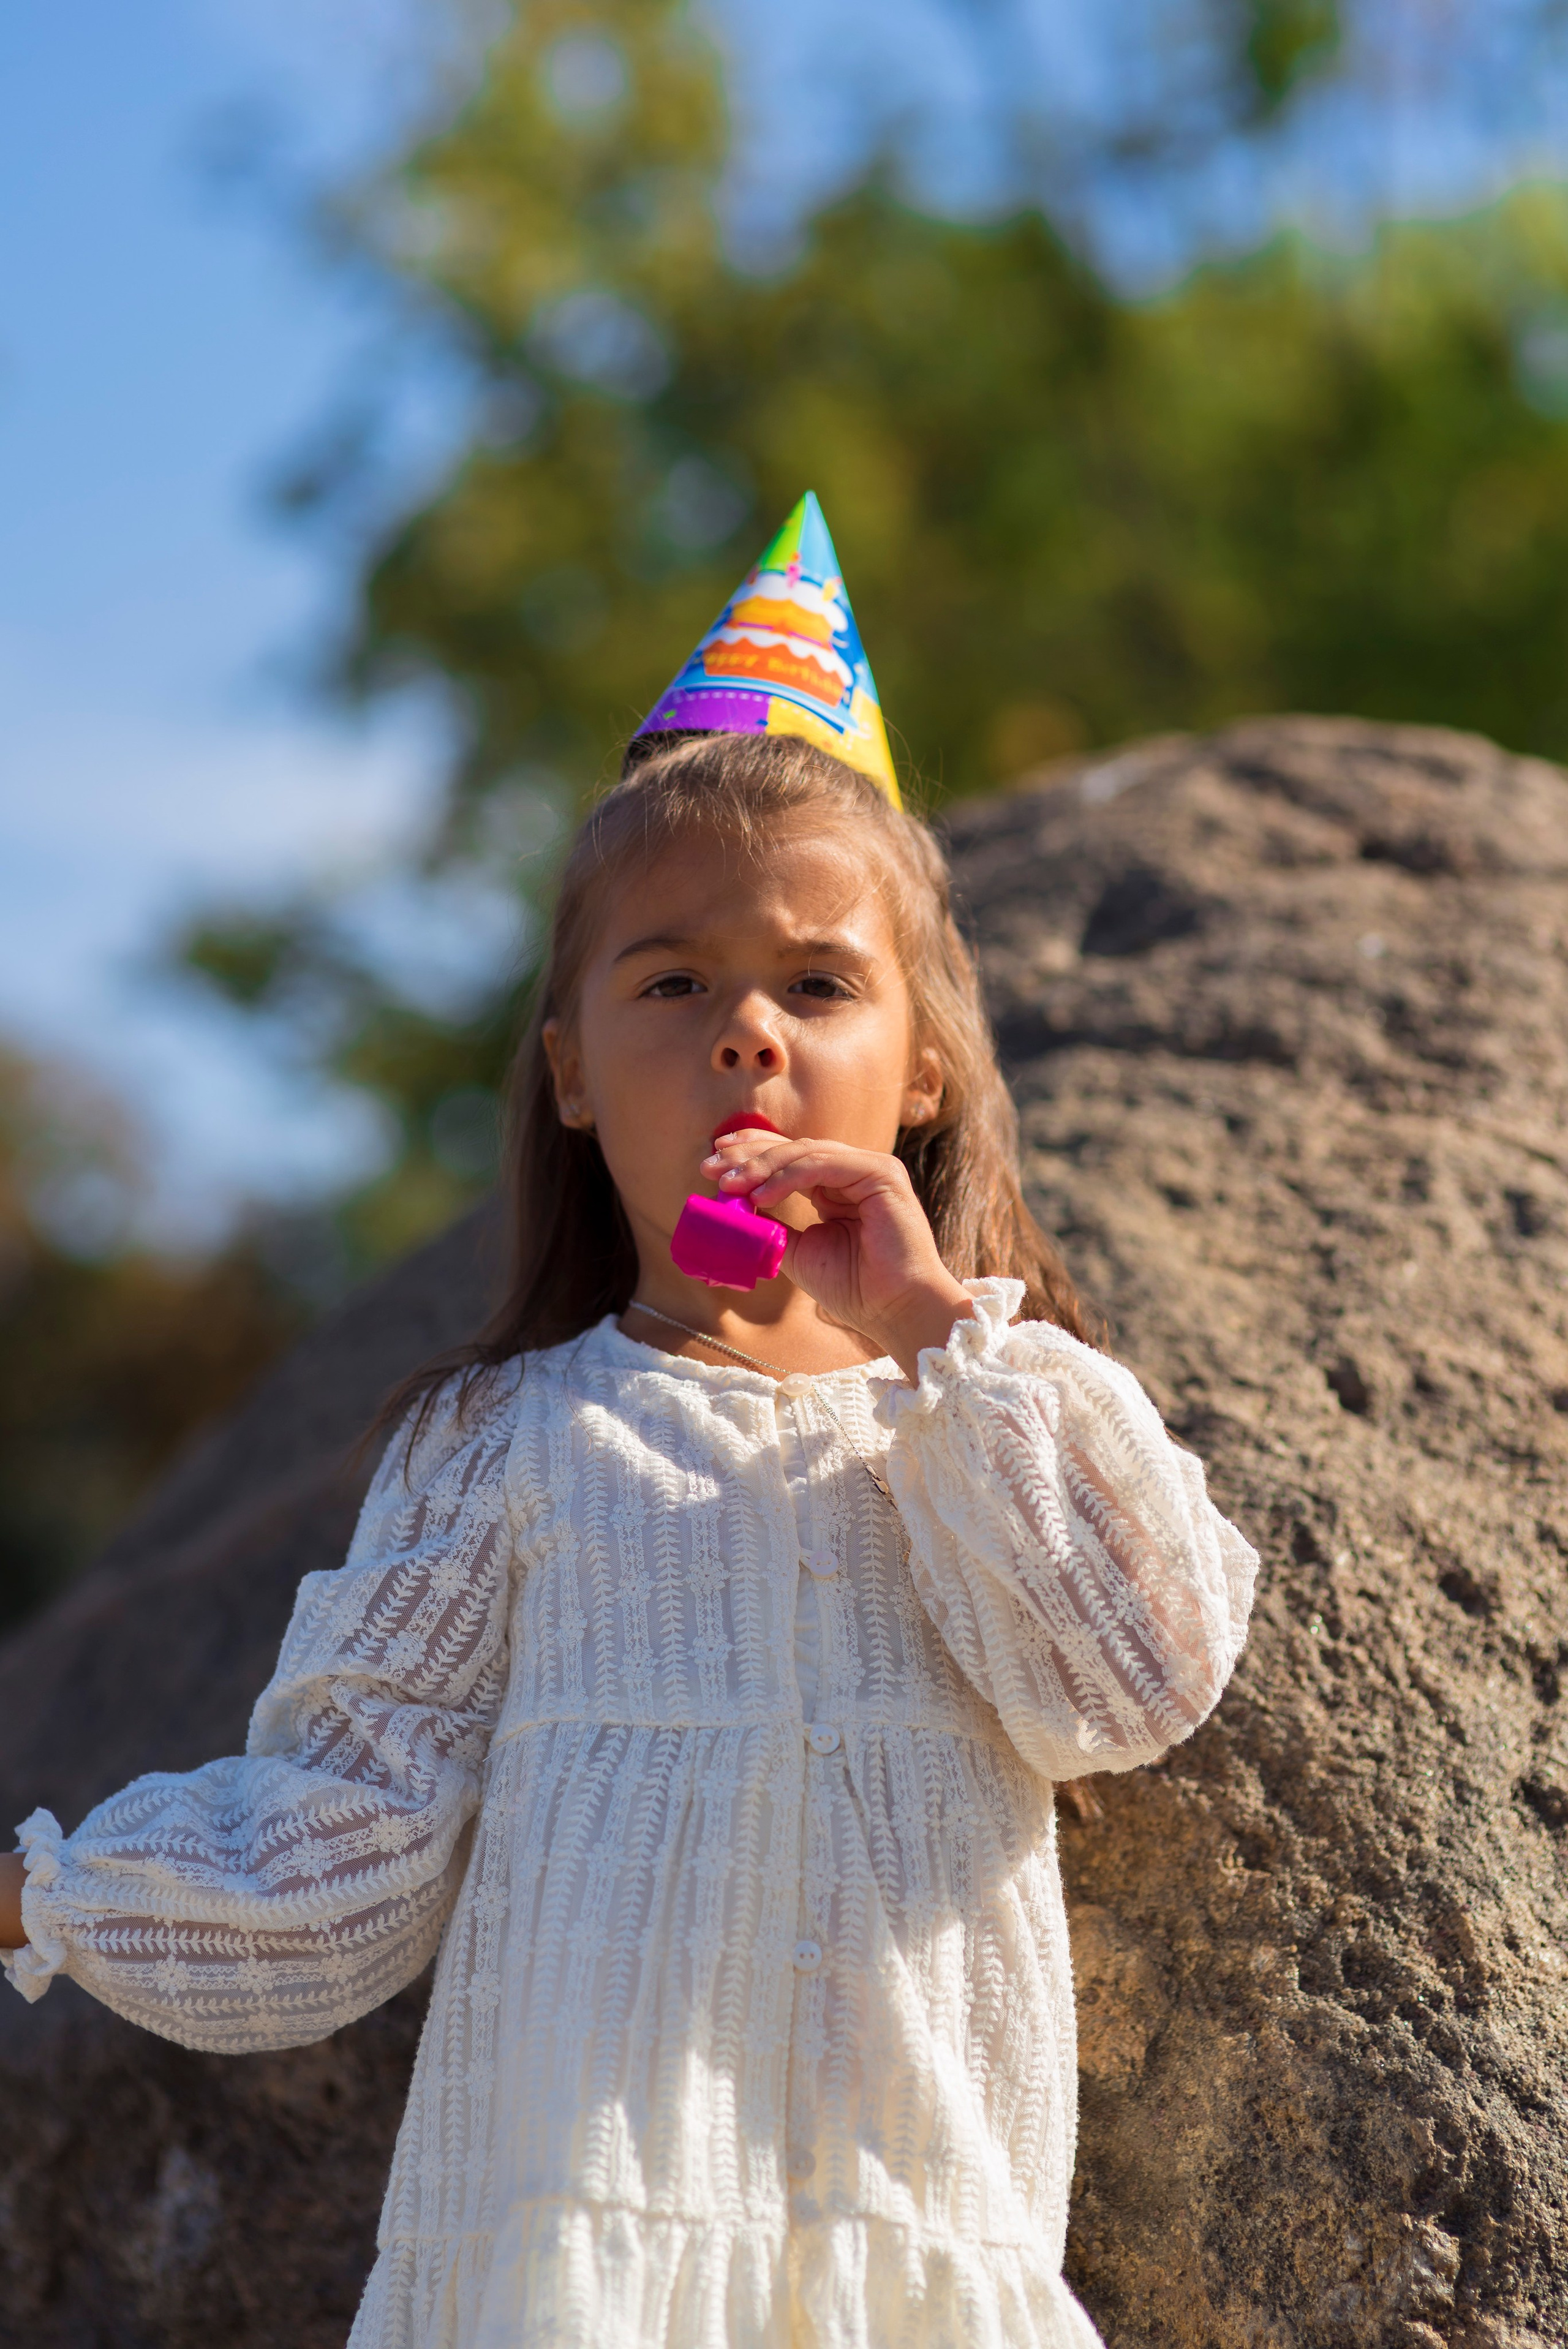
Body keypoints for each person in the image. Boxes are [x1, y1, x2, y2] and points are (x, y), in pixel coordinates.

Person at [0, 498, 1256, 2349]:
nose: (748, 1031)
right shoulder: (505, 1442)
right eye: (673, 982)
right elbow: (347, 1850)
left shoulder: (993, 1412)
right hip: (573, 2279)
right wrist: (49, 1893)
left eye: (818, 983)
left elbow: (1136, 1682)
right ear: (575, 1070)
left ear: (920, 1067)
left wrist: (928, 1331)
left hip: (915, 2262)